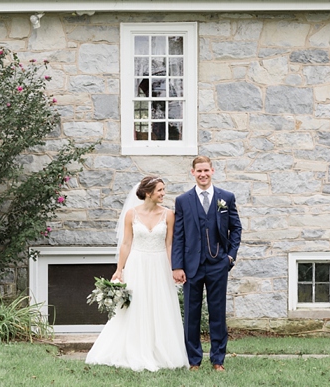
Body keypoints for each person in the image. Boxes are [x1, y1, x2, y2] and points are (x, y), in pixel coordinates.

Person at [85, 176, 189, 371]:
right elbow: (126, 243)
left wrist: (174, 268)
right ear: (148, 193)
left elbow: (169, 244)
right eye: (160, 190)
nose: (163, 194)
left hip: (159, 264)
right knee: (136, 306)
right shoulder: (131, 214)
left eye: (163, 190)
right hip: (137, 263)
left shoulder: (168, 215)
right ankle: (134, 349)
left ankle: (161, 351)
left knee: (160, 305)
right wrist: (119, 270)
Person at [172, 155, 242, 372]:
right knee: (192, 314)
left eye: (206, 170)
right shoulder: (183, 200)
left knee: (217, 313)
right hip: (191, 265)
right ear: (192, 172)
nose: (202, 174)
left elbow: (236, 228)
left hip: (218, 264)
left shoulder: (226, 197)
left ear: (212, 171)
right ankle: (194, 360)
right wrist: (177, 266)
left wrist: (230, 256)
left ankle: (218, 359)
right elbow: (179, 235)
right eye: (198, 171)